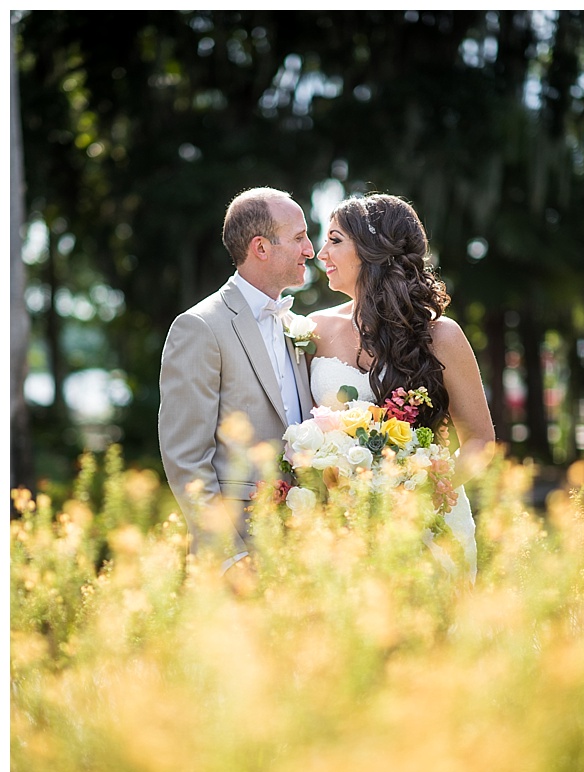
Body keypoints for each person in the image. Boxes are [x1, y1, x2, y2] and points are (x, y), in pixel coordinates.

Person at [307, 192, 495, 575]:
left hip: (429, 526)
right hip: (341, 530)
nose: (320, 253)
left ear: (372, 250)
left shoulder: (441, 336)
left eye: (335, 240)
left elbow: (479, 440)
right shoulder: (313, 330)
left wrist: (420, 491)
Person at [159, 186, 315, 562]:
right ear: (261, 248)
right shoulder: (199, 327)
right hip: (242, 546)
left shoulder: (300, 326)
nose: (310, 250)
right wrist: (230, 558)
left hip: (307, 548)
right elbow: (186, 458)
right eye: (298, 238)